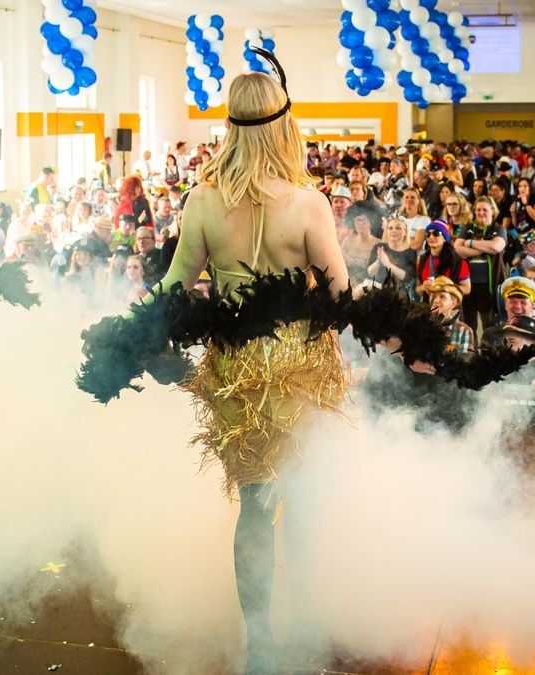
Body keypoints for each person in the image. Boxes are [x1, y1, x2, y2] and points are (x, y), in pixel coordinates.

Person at [144, 61, 351, 671]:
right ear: (285, 127)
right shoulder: (309, 204)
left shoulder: (203, 200)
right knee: (306, 497)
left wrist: (130, 333)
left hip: (235, 368)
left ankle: (258, 635)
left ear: (230, 127)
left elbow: (175, 285)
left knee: (257, 503)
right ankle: (305, 617)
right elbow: (340, 295)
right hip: (301, 367)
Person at [415, 220, 471, 297]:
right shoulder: (422, 260)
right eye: (428, 234)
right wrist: (423, 287)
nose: (431, 237)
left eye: (436, 233)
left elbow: (467, 288)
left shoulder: (458, 261)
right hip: (428, 306)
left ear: (445, 238)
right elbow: (417, 289)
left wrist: (445, 288)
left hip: (451, 306)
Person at [365, 216, 417, 296]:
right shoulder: (379, 247)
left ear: (405, 231)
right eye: (390, 228)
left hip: (399, 294)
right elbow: (370, 272)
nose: (394, 231)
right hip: (377, 292)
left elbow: (406, 277)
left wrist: (387, 264)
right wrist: (379, 261)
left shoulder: (411, 253)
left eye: (398, 228)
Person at [425, 275, 474, 354]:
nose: (436, 300)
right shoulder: (420, 327)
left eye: (442, 297)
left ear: (453, 303)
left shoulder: (464, 331)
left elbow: (465, 363)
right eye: (433, 296)